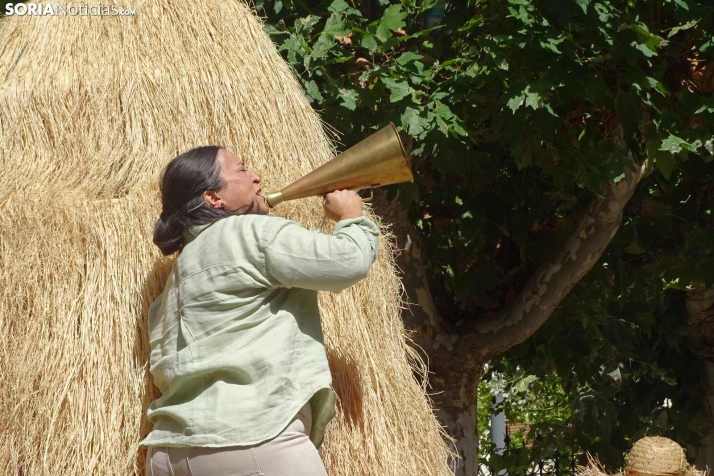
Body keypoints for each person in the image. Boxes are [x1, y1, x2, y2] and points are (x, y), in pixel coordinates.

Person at [140, 145, 379, 476]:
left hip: (168, 454)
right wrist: (352, 216)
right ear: (213, 199)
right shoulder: (249, 231)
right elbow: (348, 261)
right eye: (241, 170)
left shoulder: (178, 275)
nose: (256, 176)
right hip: (250, 440)